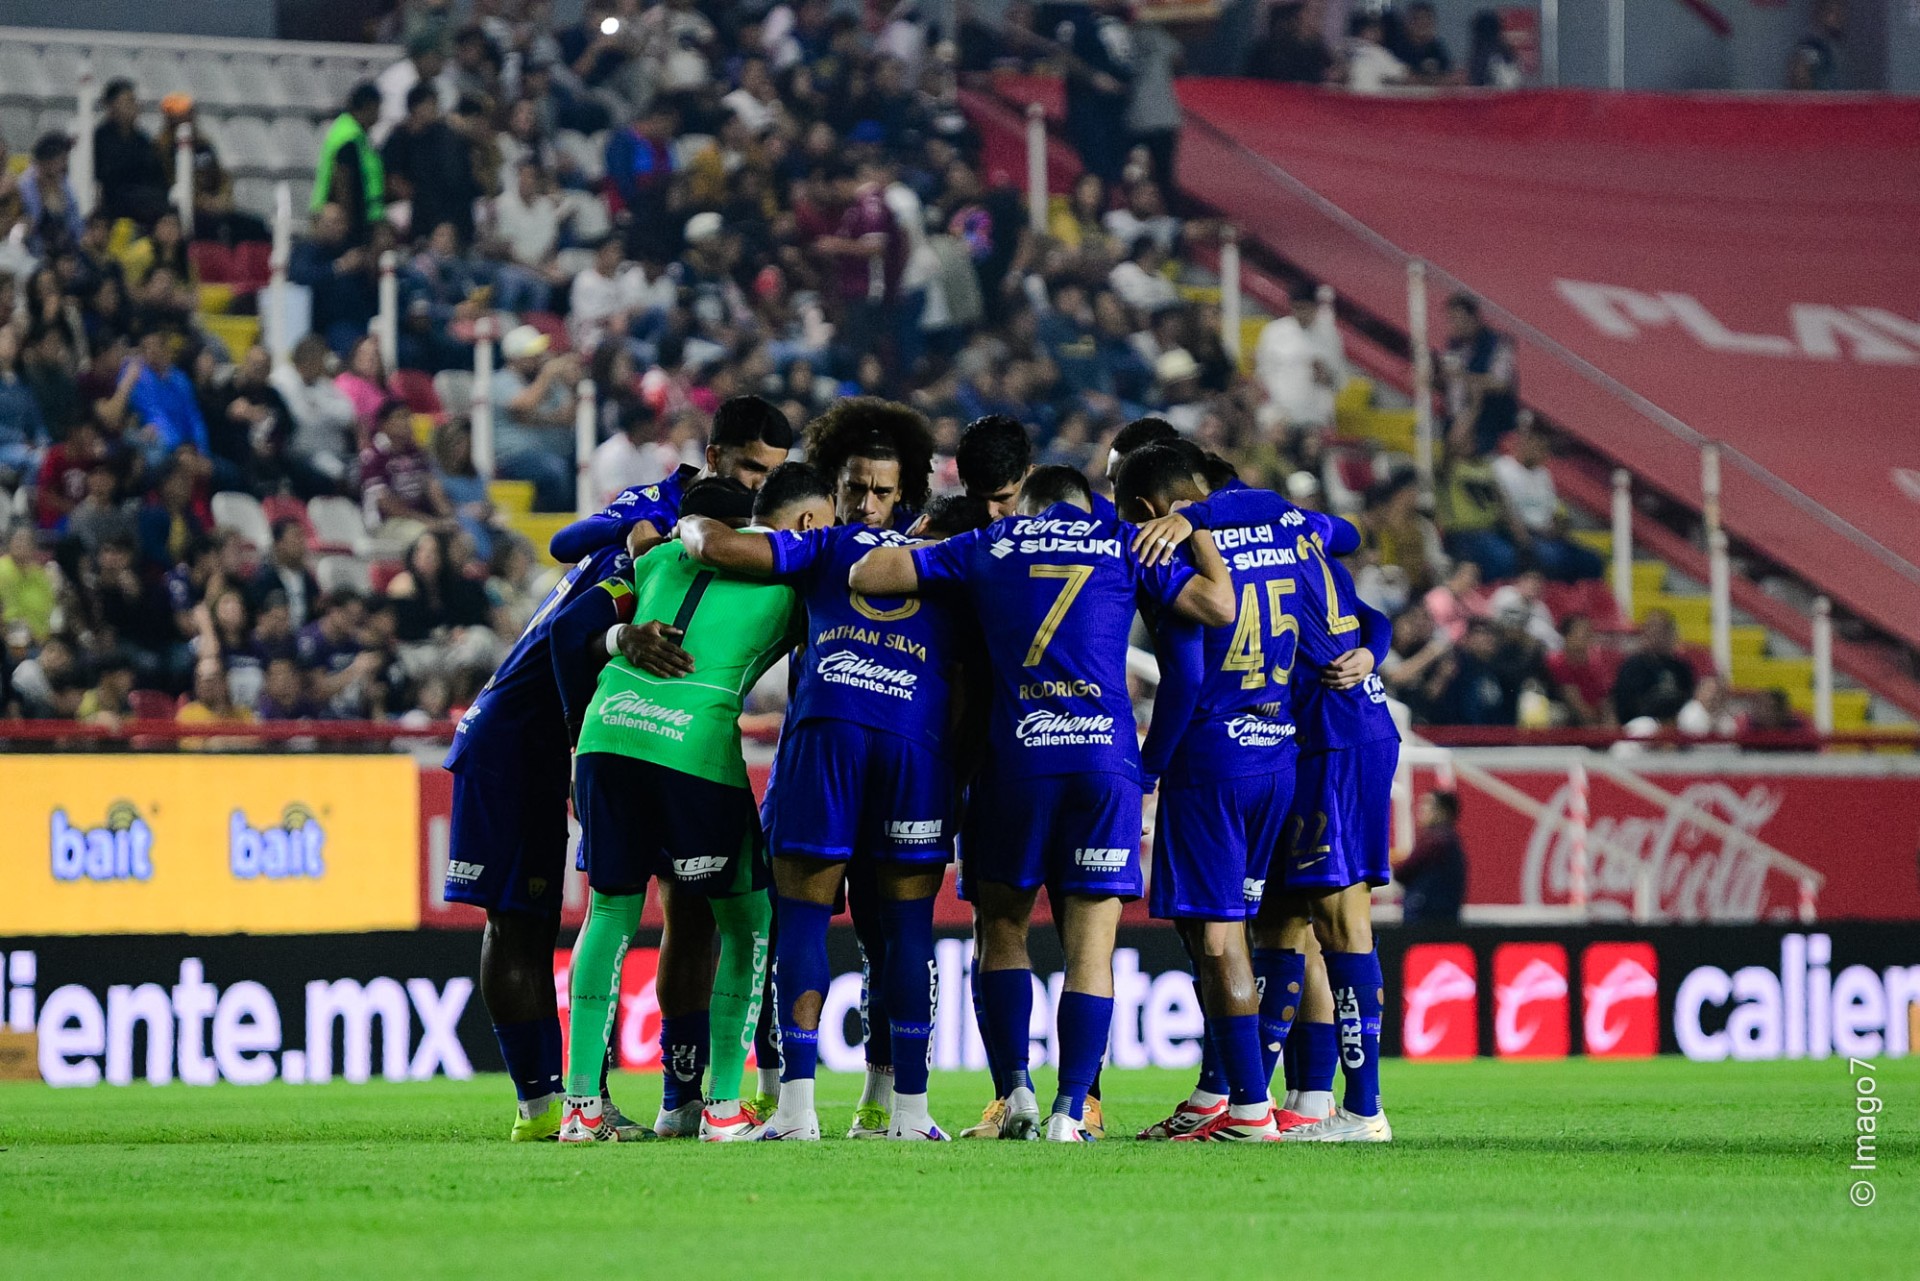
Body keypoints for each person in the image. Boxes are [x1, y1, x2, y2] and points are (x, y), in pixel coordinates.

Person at [850, 463, 1235, 1141]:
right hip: (1103, 764)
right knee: (1091, 947)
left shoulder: (989, 543)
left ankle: (1016, 1094)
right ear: (1084, 505)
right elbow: (1217, 606)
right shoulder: (1122, 540)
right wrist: (1194, 525)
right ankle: (1073, 1109)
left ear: (1024, 507)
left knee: (1002, 929)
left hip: (1015, 762)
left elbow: (867, 575)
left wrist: (927, 543)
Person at [683, 402, 970, 1143]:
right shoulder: (948, 558)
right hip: (911, 745)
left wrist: (687, 524)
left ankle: (804, 1110)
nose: (867, 502)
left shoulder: (821, 547)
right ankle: (897, 1114)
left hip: (834, 736)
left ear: (903, 493)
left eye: (881, 491)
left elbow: (719, 547)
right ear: (836, 488)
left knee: (822, 922)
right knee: (895, 929)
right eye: (855, 489)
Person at [551, 470, 833, 1144]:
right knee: (749, 918)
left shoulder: (653, 558)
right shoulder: (790, 578)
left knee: (608, 912)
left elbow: (585, 592)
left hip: (606, 732)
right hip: (694, 745)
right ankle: (724, 1107)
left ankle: (581, 1107)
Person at [1131, 461, 1399, 1141]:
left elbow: (1266, 507)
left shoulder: (1240, 530)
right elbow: (1358, 567)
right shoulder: (1294, 532)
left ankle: (1361, 1108)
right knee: (1287, 921)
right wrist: (1375, 648)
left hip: (1331, 733)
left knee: (1338, 922)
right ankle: (1299, 1098)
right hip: (1315, 734)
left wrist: (1194, 518)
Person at [1114, 444, 1314, 1141]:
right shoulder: (1271, 531)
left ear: (1146, 508)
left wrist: (1148, 770)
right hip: (1275, 751)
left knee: (1219, 939)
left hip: (1213, 761)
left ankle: (1250, 1111)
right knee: (1232, 933)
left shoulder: (1171, 559)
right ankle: (1218, 1095)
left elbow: (1187, 678)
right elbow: (1315, 524)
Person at [547, 393, 793, 562]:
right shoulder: (652, 503)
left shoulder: (767, 518)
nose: (762, 484)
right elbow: (561, 544)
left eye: (772, 474)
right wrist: (631, 528)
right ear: (714, 457)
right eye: (752, 468)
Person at [1491, 422, 1604, 581]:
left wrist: (1559, 525)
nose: (1543, 454)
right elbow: (1502, 510)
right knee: (1552, 558)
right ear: (1525, 443)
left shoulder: (1543, 474)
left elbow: (1554, 509)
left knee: (1592, 560)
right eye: (1539, 448)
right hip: (1520, 534)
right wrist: (1524, 535)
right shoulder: (1502, 469)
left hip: (1548, 534)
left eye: (1545, 450)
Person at [1443, 292, 1518, 458]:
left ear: (1473, 318)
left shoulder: (1499, 344)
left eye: (1457, 319)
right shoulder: (1454, 346)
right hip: (1456, 418)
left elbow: (1500, 382)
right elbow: (1450, 379)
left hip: (1488, 423)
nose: (1454, 325)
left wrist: (1464, 378)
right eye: (1451, 319)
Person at [313, 84, 387, 245]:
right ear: (369, 107)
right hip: (345, 221)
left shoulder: (355, 134)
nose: (378, 116)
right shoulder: (349, 137)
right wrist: (347, 222)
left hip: (356, 217)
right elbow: (343, 179)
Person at [93, 80, 170, 226]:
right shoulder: (99, 138)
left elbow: (157, 174)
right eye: (127, 101)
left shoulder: (143, 140)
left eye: (134, 101)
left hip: (146, 198)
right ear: (111, 105)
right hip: (116, 200)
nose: (133, 106)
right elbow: (106, 174)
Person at [1611, 608, 1696, 725]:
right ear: (1644, 633)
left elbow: (1690, 699)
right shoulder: (1632, 667)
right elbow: (1629, 706)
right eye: (1652, 629)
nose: (1657, 635)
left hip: (1677, 722)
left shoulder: (1681, 667)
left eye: (1663, 630)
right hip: (1642, 723)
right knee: (1647, 725)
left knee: (1695, 717)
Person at [1397, 790, 1465, 924]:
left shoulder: (1436, 841)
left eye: (1426, 807)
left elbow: (1404, 871)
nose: (1420, 812)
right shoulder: (1448, 840)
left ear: (1442, 812)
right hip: (1440, 915)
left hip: (1427, 918)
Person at [1248, 3, 1334, 84]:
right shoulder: (1269, 50)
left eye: (1320, 15)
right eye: (1314, 14)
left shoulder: (1318, 49)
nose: (1317, 21)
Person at [1789, 0, 1847, 91]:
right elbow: (1800, 75)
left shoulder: (1832, 44)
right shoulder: (1812, 45)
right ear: (1820, 14)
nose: (1839, 17)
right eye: (1833, 12)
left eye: (1841, 12)